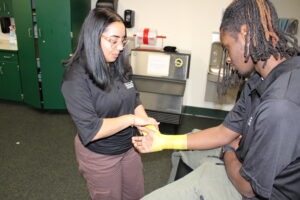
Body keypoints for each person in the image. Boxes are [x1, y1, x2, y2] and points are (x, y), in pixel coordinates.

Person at [132, 0, 300, 199]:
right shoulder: (259, 78)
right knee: (180, 150)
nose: (228, 58)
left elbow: (248, 187)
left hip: (253, 190)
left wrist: (228, 151)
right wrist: (163, 141)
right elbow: (225, 131)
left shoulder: (280, 105)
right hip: (243, 157)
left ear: (246, 34)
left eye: (227, 48)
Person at [61, 8, 157, 200]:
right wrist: (132, 120)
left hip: (129, 147)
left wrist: (146, 123)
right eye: (113, 41)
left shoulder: (119, 64)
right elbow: (92, 130)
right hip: (100, 156)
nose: (120, 47)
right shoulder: (76, 78)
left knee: (135, 195)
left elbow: (134, 98)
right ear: (93, 37)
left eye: (123, 40)